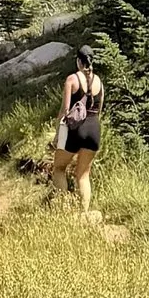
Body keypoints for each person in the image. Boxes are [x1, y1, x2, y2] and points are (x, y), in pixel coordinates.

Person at [54, 45, 106, 217]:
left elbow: (65, 110)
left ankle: (65, 210)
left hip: (76, 129)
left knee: (59, 168)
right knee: (83, 175)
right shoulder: (100, 82)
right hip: (94, 130)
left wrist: (57, 133)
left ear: (78, 61)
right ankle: (83, 214)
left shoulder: (72, 79)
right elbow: (99, 110)